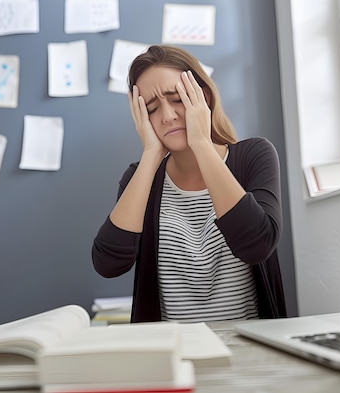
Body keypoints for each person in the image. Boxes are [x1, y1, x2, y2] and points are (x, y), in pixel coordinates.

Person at [92, 45, 286, 323]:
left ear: (201, 95)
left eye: (177, 99)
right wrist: (150, 156)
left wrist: (201, 142)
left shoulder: (254, 155)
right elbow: (108, 264)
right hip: (170, 354)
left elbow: (256, 246)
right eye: (152, 108)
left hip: (250, 348)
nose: (167, 115)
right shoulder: (140, 177)